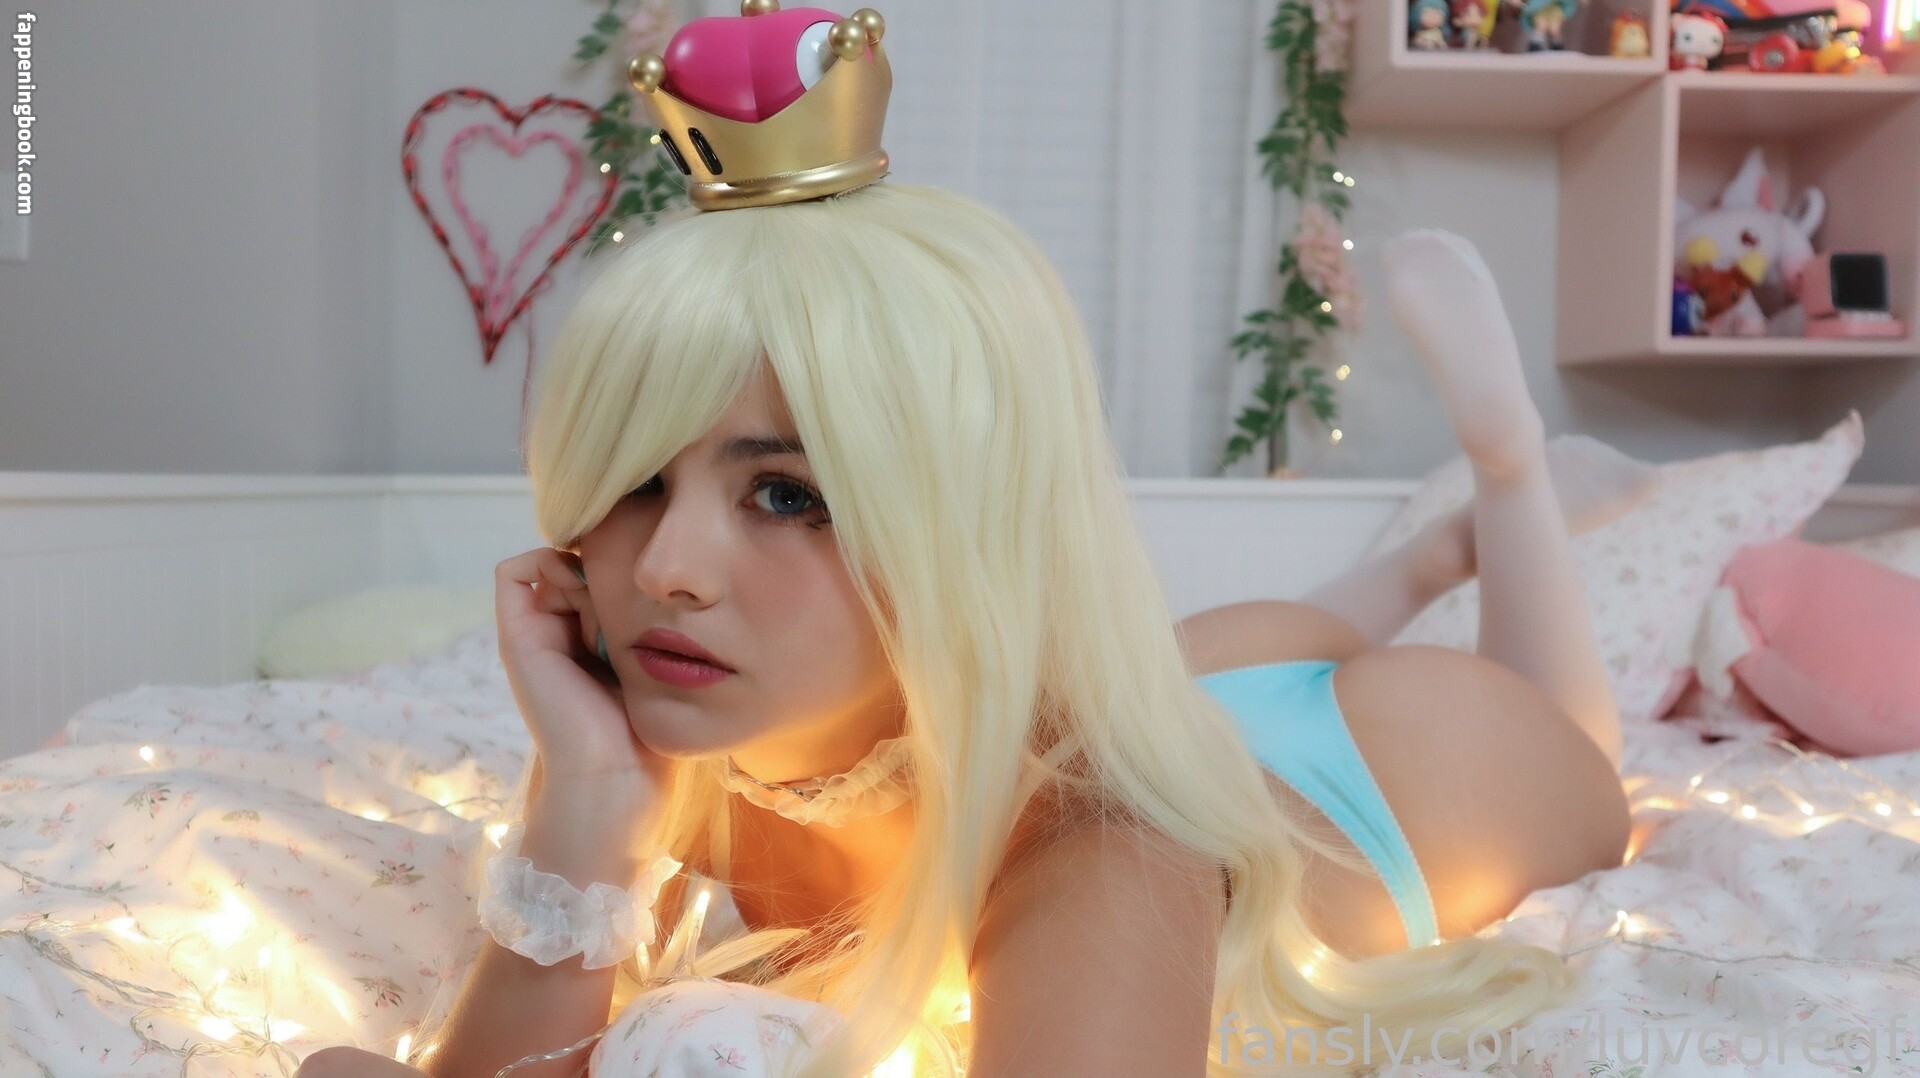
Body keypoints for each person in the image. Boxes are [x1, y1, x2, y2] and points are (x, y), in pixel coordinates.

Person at [296, 5, 1647, 1077]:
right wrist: (586, 796)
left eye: (789, 495)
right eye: (638, 482)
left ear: (967, 525)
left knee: (1575, 732)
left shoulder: (1101, 852)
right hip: (1177, 689)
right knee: (1226, 645)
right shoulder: (702, 745)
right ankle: (1423, 562)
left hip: (1381, 772)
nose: (664, 571)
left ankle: (1507, 471)